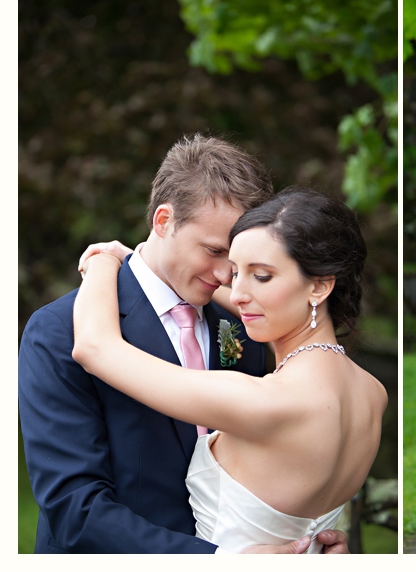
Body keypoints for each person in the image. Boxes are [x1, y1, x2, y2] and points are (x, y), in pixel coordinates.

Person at [18, 135, 348, 554]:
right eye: (213, 250)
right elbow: (75, 512)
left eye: (239, 260)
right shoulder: (58, 331)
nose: (227, 276)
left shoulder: (243, 324)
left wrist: (313, 546)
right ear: (163, 221)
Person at [72, 187, 388, 553]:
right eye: (236, 272)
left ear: (319, 286)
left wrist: (104, 261)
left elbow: (95, 347)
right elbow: (267, 314)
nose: (235, 292)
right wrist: (141, 262)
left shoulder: (267, 401)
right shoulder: (371, 393)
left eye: (263, 276)